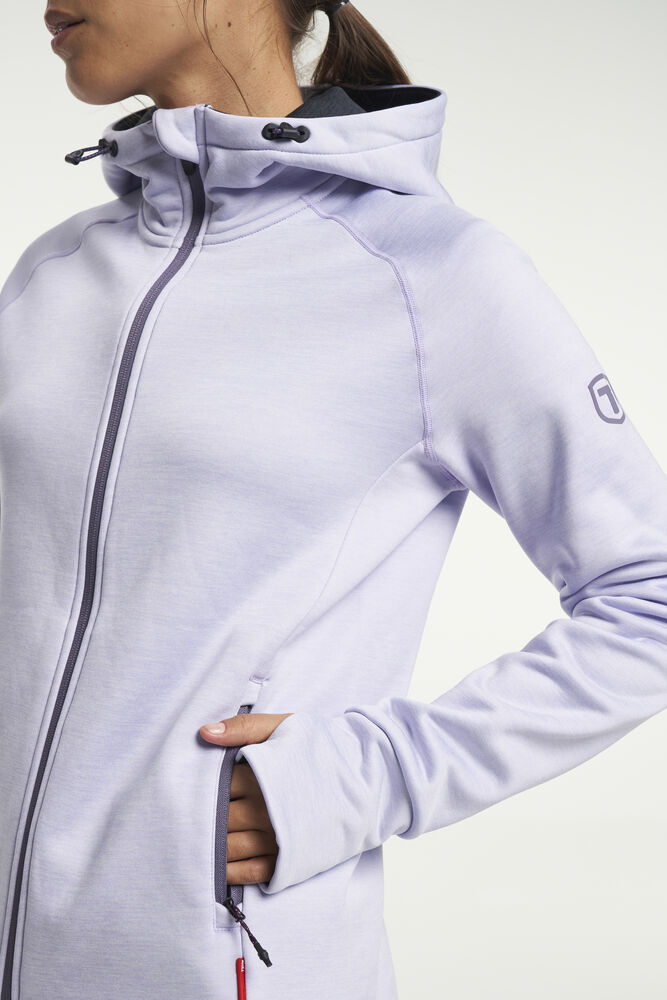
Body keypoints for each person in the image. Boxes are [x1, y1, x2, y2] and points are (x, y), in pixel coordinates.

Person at [1, 1, 666, 998]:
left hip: (220, 963)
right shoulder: (53, 272)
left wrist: (365, 777)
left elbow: (649, 594)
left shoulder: (429, 273)